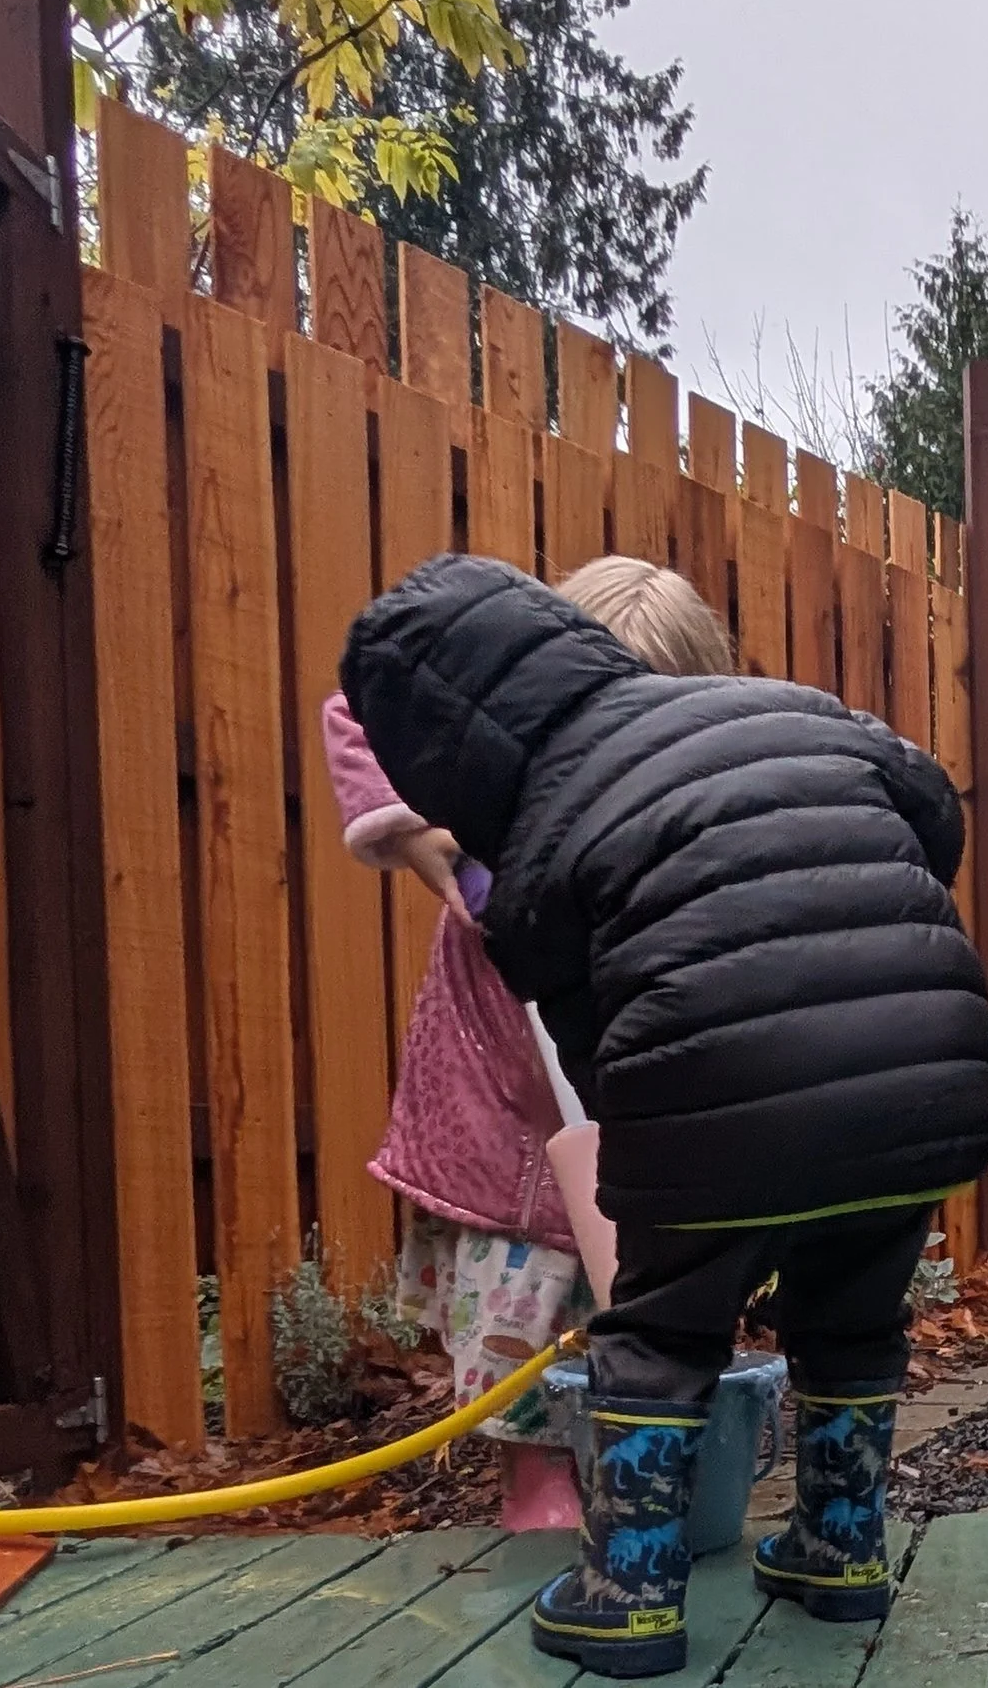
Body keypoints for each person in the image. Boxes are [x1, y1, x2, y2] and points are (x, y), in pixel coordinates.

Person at [339, 552, 988, 1679]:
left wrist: (639, 1140)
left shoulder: (547, 815)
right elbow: (930, 806)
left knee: (662, 1325)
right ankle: (840, 1549)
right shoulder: (786, 704)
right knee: (853, 1307)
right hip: (929, 1080)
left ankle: (629, 1588)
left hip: (719, 1106)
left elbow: (561, 986)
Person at [320, 555, 735, 1537]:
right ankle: (535, 1472)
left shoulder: (685, 797)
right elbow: (356, 709)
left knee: (641, 1286)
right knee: (521, 1295)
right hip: (501, 1093)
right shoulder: (484, 763)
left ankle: (646, 1446)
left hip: (633, 1096)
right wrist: (439, 849)